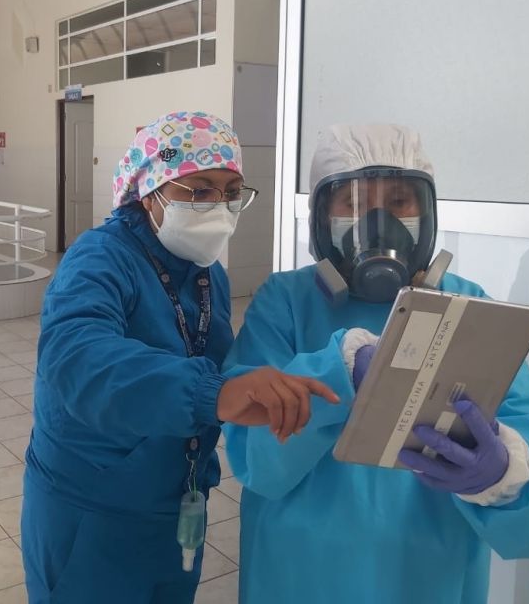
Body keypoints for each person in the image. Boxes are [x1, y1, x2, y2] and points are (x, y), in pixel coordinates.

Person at [223, 123, 529, 604]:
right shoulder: (285, 303)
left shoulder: (470, 312)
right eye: (352, 204)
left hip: (426, 582)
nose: (378, 223)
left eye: (399, 202)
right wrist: (336, 373)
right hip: (299, 579)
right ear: (321, 218)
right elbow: (256, 463)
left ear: (427, 212)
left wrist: (503, 476)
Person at [21, 111, 340, 604]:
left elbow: (213, 361)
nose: (219, 206)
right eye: (199, 190)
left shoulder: (207, 274)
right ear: (151, 192)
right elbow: (76, 357)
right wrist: (213, 393)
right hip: (93, 506)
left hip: (176, 501)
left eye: (231, 192)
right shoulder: (100, 257)